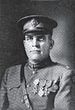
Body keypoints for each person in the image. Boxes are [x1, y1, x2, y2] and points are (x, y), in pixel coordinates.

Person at [0, 15, 75, 110]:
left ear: (50, 44)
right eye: (29, 38)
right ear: (24, 44)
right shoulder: (10, 73)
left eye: (40, 38)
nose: (34, 44)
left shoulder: (63, 74)